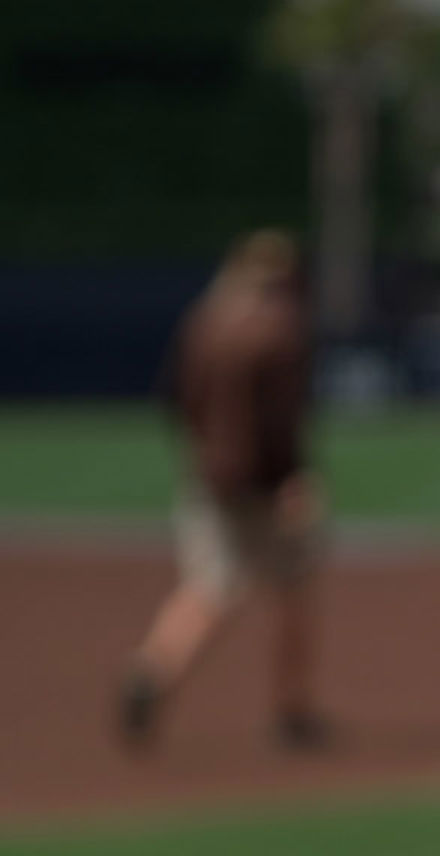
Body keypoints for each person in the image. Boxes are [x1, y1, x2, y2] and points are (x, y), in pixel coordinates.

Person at [119, 229, 328, 751]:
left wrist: (205, 451)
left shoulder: (205, 321)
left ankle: (154, 668)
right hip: (265, 484)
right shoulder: (281, 331)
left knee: (210, 586)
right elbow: (282, 421)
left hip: (209, 474)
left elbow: (175, 398)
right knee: (292, 588)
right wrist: (293, 480)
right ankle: (291, 709)